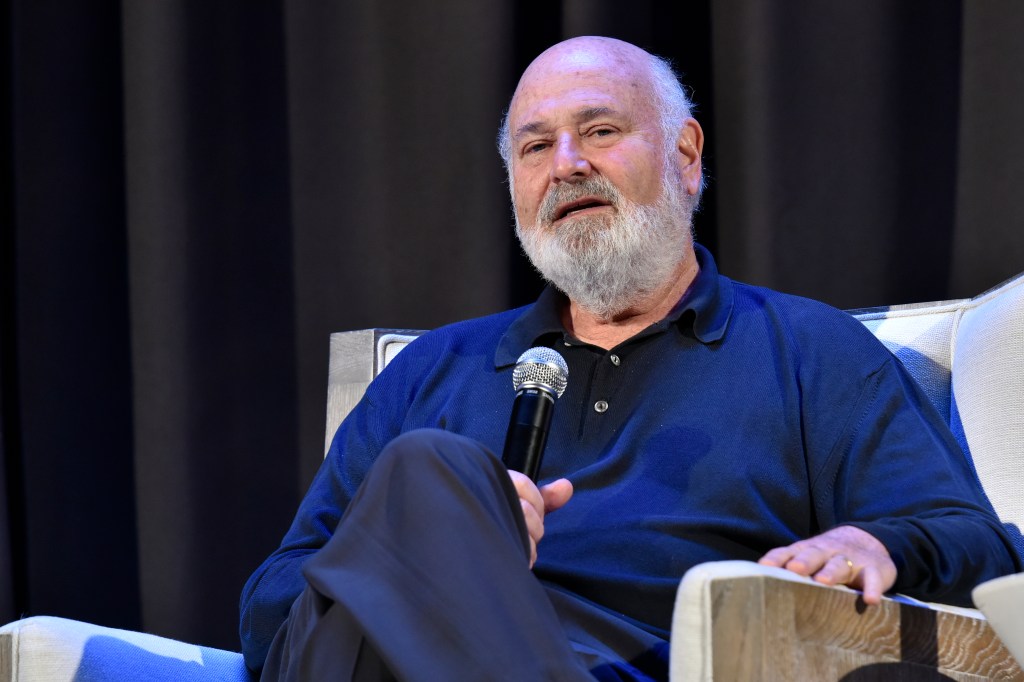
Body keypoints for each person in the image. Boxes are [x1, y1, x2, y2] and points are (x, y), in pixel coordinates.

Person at [240, 36, 1021, 680]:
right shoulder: (432, 371)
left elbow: (980, 545)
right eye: (535, 147)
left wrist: (874, 542)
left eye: (601, 131)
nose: (567, 164)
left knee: (424, 472)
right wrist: (430, 548)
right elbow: (272, 602)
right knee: (429, 474)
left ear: (684, 154)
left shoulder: (806, 351)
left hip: (630, 668)